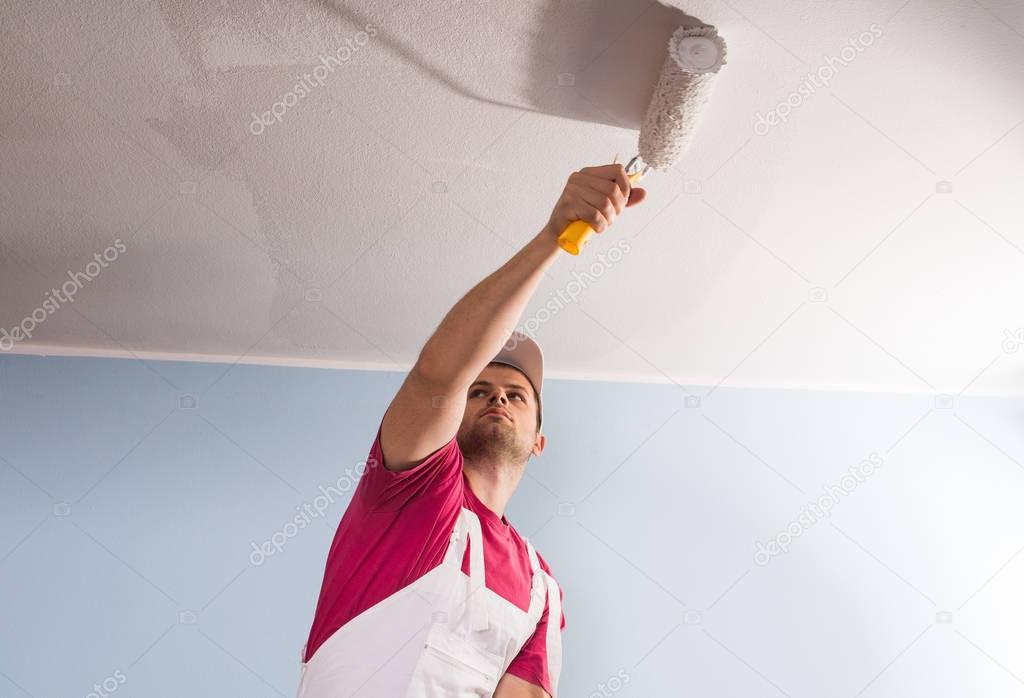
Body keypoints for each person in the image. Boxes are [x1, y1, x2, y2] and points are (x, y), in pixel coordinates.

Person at [296, 164, 647, 697]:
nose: (498, 397)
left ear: (538, 441)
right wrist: (554, 237)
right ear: (450, 416)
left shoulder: (542, 589)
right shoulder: (410, 491)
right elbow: (439, 374)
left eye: (517, 394)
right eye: (477, 391)